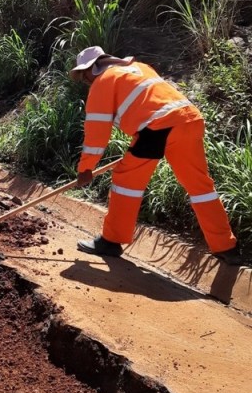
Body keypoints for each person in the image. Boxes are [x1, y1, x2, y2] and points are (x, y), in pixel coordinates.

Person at [70, 45, 242, 266]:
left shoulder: (103, 81)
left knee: (125, 180)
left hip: (159, 127)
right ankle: (227, 247)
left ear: (92, 68)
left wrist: (86, 168)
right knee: (200, 187)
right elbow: (150, 105)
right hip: (190, 120)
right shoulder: (139, 68)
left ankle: (111, 242)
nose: (85, 81)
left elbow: (97, 131)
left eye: (84, 74)